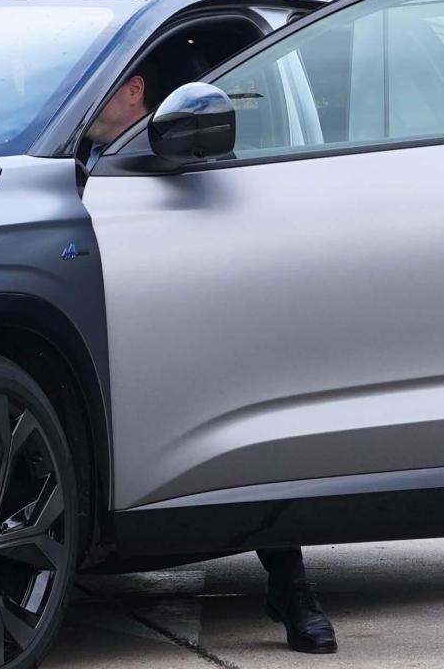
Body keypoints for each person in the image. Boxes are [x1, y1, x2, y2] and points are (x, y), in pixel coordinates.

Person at [86, 67, 339, 655]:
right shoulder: (65, 157)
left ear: (134, 90)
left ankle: (293, 587)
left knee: (256, 428)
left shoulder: (184, 140)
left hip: (197, 318)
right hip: (111, 323)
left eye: (96, 87)